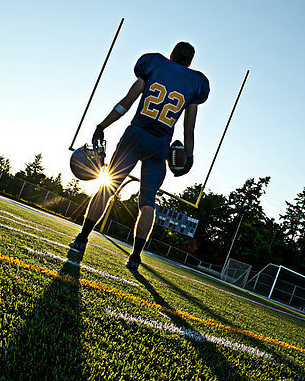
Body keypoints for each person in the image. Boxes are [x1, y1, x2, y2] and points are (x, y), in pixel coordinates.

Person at [69, 41, 210, 270]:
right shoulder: (196, 83)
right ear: (190, 62)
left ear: (171, 54)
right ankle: (135, 258)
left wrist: (102, 125)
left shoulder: (153, 64)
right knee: (148, 203)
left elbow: (126, 102)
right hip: (160, 144)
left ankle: (82, 239)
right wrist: (190, 157)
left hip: (135, 135)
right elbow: (188, 128)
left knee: (108, 187)